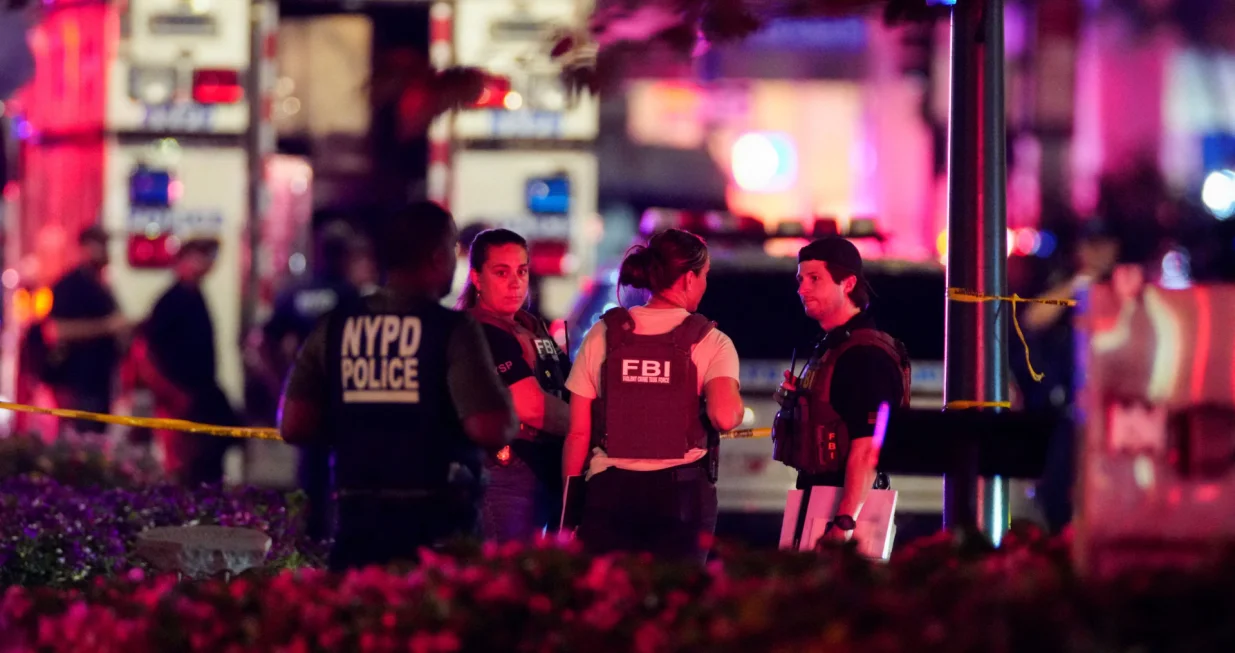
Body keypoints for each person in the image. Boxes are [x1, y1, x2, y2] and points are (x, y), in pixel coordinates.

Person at [279, 201, 516, 571]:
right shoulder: (452, 330)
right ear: (438, 257)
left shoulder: (335, 326)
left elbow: (294, 425)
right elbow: (489, 428)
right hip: (436, 532)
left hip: (357, 523)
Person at [563, 228, 744, 563]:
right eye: (705, 275)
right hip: (680, 497)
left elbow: (577, 434)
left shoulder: (603, 334)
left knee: (608, 592)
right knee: (675, 593)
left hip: (609, 496)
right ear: (689, 278)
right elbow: (725, 416)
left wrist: (569, 514)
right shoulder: (711, 341)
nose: (705, 284)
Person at [772, 237, 910, 547]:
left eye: (814, 278)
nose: (802, 289)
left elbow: (868, 448)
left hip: (842, 508)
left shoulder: (864, 355)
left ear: (848, 284)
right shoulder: (834, 347)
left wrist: (844, 523)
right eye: (800, 280)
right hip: (818, 497)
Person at [456, 228, 571, 542]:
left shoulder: (530, 326)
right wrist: (594, 425)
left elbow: (570, 385)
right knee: (504, 567)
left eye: (521, 271)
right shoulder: (479, 331)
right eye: (501, 272)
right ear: (477, 278)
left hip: (542, 466)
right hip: (504, 471)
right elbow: (531, 407)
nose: (515, 282)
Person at [260, 222, 362, 540]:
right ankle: (334, 539)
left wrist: (283, 379)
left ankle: (309, 538)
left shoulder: (296, 292)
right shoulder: (349, 294)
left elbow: (267, 340)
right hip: (343, 394)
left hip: (307, 391)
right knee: (344, 473)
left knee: (310, 472)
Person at [134, 238, 240, 486]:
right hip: (180, 399)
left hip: (202, 396)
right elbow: (145, 351)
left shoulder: (196, 295)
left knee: (210, 460)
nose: (206, 264)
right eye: (199, 256)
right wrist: (171, 394)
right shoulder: (172, 300)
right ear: (183, 260)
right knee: (187, 468)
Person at [44, 226, 129, 435]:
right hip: (77, 381)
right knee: (80, 441)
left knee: (96, 439)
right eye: (98, 244)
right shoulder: (69, 285)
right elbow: (57, 330)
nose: (104, 250)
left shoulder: (101, 285)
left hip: (101, 380)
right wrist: (106, 326)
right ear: (84, 247)